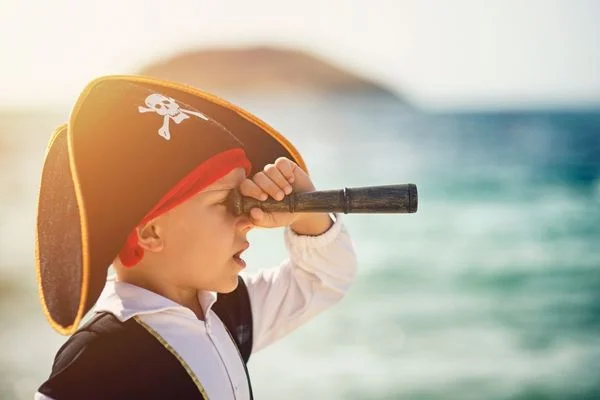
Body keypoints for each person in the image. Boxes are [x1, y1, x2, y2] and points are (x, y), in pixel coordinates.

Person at [33, 75, 358, 399]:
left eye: (245, 201)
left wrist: (305, 210)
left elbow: (325, 278)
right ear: (151, 232)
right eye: (225, 203)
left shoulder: (227, 313)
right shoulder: (96, 360)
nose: (248, 220)